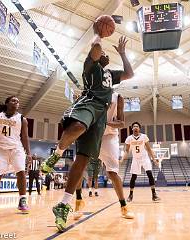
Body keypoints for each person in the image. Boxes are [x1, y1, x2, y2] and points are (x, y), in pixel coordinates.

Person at [40, 31, 134, 232]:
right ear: (98, 58)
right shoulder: (91, 67)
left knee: (82, 159)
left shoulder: (111, 76)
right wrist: (99, 35)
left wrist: (124, 53)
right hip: (89, 103)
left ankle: (63, 204)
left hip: (101, 119)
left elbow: (129, 74)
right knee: (79, 126)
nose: (105, 55)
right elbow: (95, 51)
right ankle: (56, 155)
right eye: (102, 54)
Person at [73, 92, 134, 220]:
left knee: (112, 173)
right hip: (91, 135)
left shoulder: (118, 97)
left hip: (109, 137)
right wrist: (76, 102)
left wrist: (104, 124)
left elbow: (121, 123)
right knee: (78, 169)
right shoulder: (88, 93)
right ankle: (78, 203)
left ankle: (124, 206)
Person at [0, 96, 32, 216]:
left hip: (16, 148)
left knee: (21, 172)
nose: (16, 102)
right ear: (7, 103)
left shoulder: (22, 119)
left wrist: (29, 153)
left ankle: (22, 200)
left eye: (18, 101)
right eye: (13, 100)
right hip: (0, 149)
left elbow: (25, 137)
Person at [122, 122, 160, 202]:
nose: (135, 127)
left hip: (144, 157)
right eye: (134, 126)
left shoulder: (144, 136)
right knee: (133, 177)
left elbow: (149, 149)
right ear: (132, 128)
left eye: (137, 126)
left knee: (150, 174)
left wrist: (154, 159)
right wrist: (121, 160)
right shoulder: (129, 138)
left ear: (139, 129)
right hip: (135, 159)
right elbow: (126, 151)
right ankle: (130, 195)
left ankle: (154, 195)